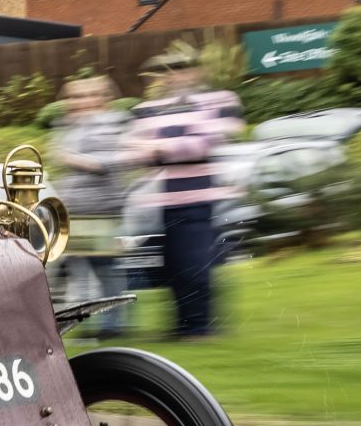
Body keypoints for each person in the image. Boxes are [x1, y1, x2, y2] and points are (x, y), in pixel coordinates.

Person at [126, 45, 241, 339]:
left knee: (195, 266)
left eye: (179, 70)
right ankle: (183, 325)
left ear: (195, 72)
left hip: (198, 200)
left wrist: (161, 148)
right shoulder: (153, 110)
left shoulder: (213, 103)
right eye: (167, 72)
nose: (172, 77)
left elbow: (204, 143)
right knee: (175, 267)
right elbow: (135, 149)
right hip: (166, 202)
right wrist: (158, 150)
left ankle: (201, 327)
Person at [48, 74, 135, 338]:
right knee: (78, 269)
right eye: (75, 97)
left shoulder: (110, 124)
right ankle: (88, 323)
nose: (80, 101)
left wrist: (71, 159)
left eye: (87, 96)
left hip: (100, 211)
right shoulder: (68, 125)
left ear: (102, 98)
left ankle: (113, 326)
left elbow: (108, 163)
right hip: (74, 210)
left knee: (104, 268)